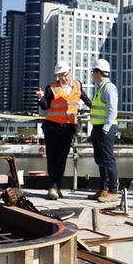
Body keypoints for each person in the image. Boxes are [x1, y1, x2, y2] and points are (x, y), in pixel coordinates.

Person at [38, 62, 83, 199]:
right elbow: (45, 106)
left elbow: (85, 99)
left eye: (64, 75)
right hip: (52, 127)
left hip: (68, 128)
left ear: (69, 72)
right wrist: (40, 97)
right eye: (60, 75)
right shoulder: (52, 88)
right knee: (52, 157)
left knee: (62, 158)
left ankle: (57, 186)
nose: (62, 78)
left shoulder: (77, 85)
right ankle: (52, 187)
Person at [88, 58, 120, 202]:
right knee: (100, 160)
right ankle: (104, 189)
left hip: (105, 128)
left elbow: (113, 109)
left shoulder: (108, 87)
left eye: (93, 72)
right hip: (98, 127)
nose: (92, 75)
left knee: (108, 159)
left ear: (98, 72)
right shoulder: (100, 87)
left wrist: (106, 128)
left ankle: (113, 191)